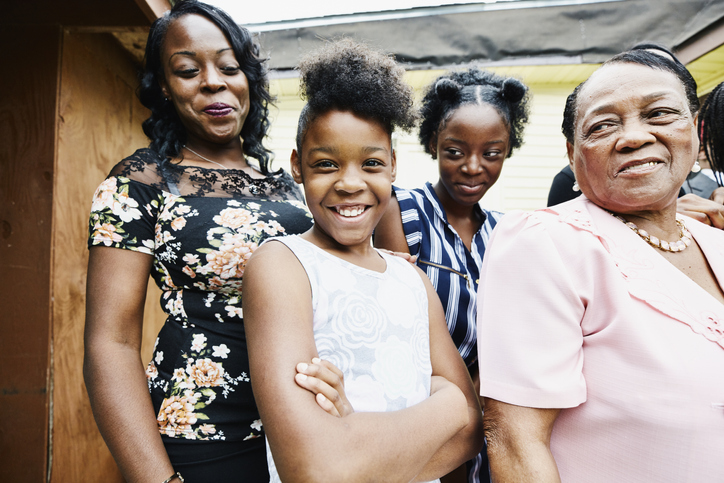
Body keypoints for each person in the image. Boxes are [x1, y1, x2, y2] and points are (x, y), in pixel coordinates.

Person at [83, 2, 312, 482]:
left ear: (249, 77)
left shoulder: (289, 186)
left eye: (229, 66)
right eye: (188, 70)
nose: (213, 81)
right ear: (165, 88)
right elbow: (112, 342)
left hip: (304, 429)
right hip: (203, 435)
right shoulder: (141, 181)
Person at [242, 39, 484, 483]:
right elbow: (316, 468)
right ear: (297, 166)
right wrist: (447, 404)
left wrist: (353, 440)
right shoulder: (283, 266)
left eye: (371, 163)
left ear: (393, 165)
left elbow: (473, 430)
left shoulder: (411, 281)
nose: (350, 183)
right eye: (326, 164)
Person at [477, 48, 724, 482]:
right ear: (573, 154)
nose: (633, 137)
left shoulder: (715, 241)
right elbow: (516, 441)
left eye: (660, 114)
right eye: (603, 126)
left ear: (693, 130)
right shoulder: (546, 244)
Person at [373, 68, 530, 482]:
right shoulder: (401, 211)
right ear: (431, 144)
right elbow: (405, 325)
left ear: (508, 151)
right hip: (421, 414)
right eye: (455, 151)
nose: (472, 167)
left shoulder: (505, 232)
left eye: (491, 153)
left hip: (488, 416)